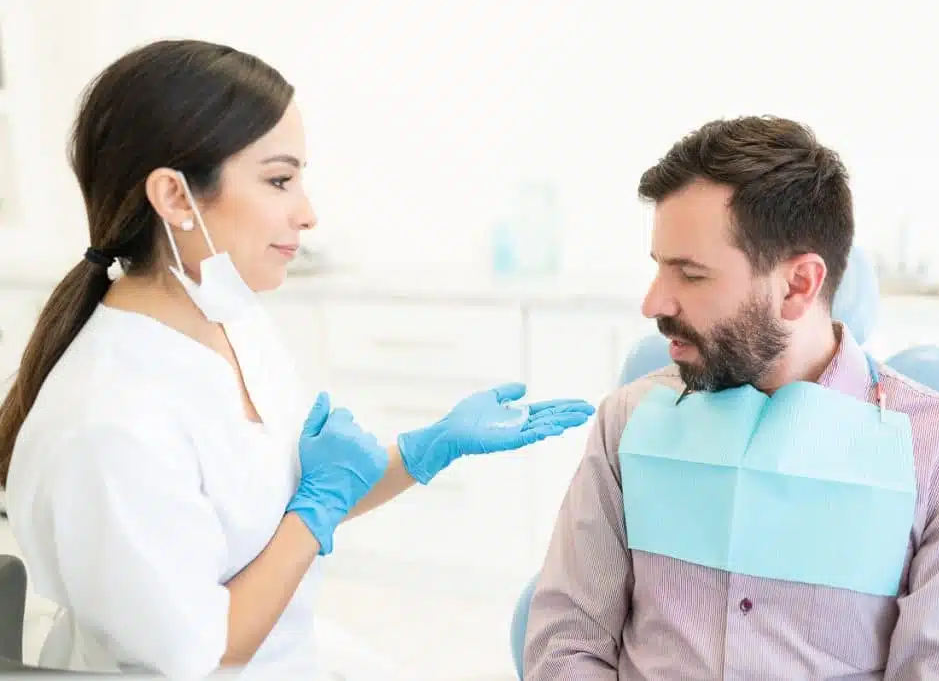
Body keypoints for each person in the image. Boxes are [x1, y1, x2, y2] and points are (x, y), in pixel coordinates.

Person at [0, 39, 595, 680]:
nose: (307, 213)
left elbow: (296, 503)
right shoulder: (110, 423)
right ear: (175, 198)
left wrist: (424, 451)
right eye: (279, 180)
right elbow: (209, 647)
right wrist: (317, 505)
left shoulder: (233, 321)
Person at [522, 116, 939, 680]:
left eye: (691, 274)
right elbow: (566, 643)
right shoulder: (627, 424)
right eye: (659, 268)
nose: (655, 302)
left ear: (799, 285)